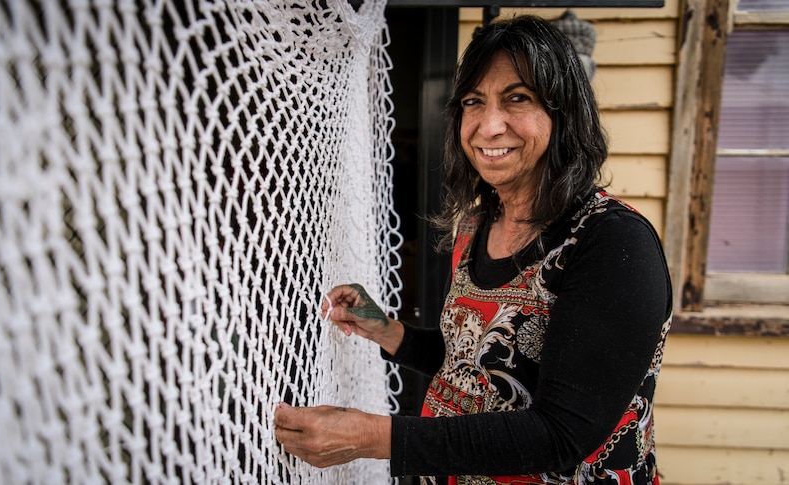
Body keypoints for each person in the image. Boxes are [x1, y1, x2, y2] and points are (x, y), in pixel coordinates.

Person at [274, 14, 672, 485]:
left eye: (517, 98)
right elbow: (473, 361)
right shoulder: (480, 224)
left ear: (564, 112)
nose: (488, 125)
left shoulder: (612, 243)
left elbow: (562, 434)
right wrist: (386, 330)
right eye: (473, 101)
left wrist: (372, 437)